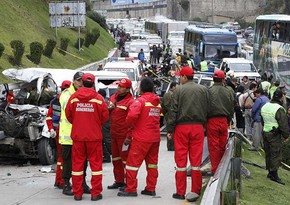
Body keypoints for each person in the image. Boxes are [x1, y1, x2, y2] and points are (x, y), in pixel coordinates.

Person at [166, 66, 209, 202]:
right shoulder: (203, 90)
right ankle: (195, 190)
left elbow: (173, 111)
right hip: (198, 128)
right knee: (196, 162)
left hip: (182, 128)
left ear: (184, 77)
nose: (179, 78)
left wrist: (170, 129)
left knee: (181, 161)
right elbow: (208, 108)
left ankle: (180, 192)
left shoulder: (178, 90)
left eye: (180, 76)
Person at [65, 73, 109, 201]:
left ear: (82, 82)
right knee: (96, 166)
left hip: (78, 137)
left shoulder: (73, 98)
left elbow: (68, 116)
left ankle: (77, 193)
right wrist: (94, 123)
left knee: (77, 166)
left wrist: (79, 122)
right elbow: (105, 117)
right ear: (93, 83)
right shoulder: (99, 99)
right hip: (94, 137)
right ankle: (96, 193)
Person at [117, 77, 161, 197]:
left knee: (132, 163)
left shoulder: (140, 101)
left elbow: (131, 116)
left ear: (141, 89)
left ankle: (131, 188)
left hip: (141, 138)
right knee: (152, 164)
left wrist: (129, 126)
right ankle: (150, 188)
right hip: (155, 138)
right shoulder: (156, 102)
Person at [59, 71, 90, 196]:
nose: (80, 83)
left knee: (83, 161)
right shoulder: (67, 95)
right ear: (73, 81)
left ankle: (82, 183)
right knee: (68, 161)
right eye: (78, 80)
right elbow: (70, 114)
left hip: (81, 134)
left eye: (82, 81)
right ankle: (66, 184)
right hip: (68, 135)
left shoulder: (84, 93)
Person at [107, 78, 134, 190]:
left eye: (122, 87)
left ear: (127, 89)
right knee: (116, 159)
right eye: (118, 86)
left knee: (125, 160)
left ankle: (129, 182)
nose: (119, 88)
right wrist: (108, 108)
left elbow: (132, 121)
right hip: (113, 134)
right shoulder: (113, 98)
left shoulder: (131, 102)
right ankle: (119, 181)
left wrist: (129, 136)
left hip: (123, 136)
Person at [207, 70, 234, 174]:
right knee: (223, 146)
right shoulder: (229, 91)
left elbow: (206, 107)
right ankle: (222, 170)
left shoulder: (209, 91)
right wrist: (228, 120)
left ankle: (215, 170)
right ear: (223, 79)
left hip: (212, 120)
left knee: (214, 147)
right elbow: (231, 107)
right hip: (224, 120)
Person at [46, 80, 71, 189]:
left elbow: (49, 117)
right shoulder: (70, 99)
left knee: (60, 158)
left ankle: (58, 180)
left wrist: (51, 129)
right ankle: (62, 181)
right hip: (65, 133)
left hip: (56, 133)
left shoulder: (54, 101)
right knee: (65, 159)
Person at [261, 90, 289, 185]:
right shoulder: (279, 109)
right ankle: (274, 175)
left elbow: (262, 120)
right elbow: (283, 124)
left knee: (268, 153)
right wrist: (286, 135)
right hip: (274, 134)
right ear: (281, 98)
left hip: (265, 132)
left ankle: (269, 172)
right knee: (275, 154)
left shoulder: (265, 106)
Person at [161, 81, 178, 151]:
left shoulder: (166, 94)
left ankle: (170, 146)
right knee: (172, 131)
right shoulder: (173, 95)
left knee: (169, 131)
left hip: (168, 115)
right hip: (171, 115)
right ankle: (172, 146)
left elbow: (163, 106)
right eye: (177, 86)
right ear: (173, 87)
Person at [98, 89, 112, 163]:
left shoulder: (102, 101)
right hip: (108, 122)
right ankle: (107, 156)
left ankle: (112, 153)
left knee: (106, 140)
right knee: (103, 140)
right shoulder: (108, 100)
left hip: (105, 123)